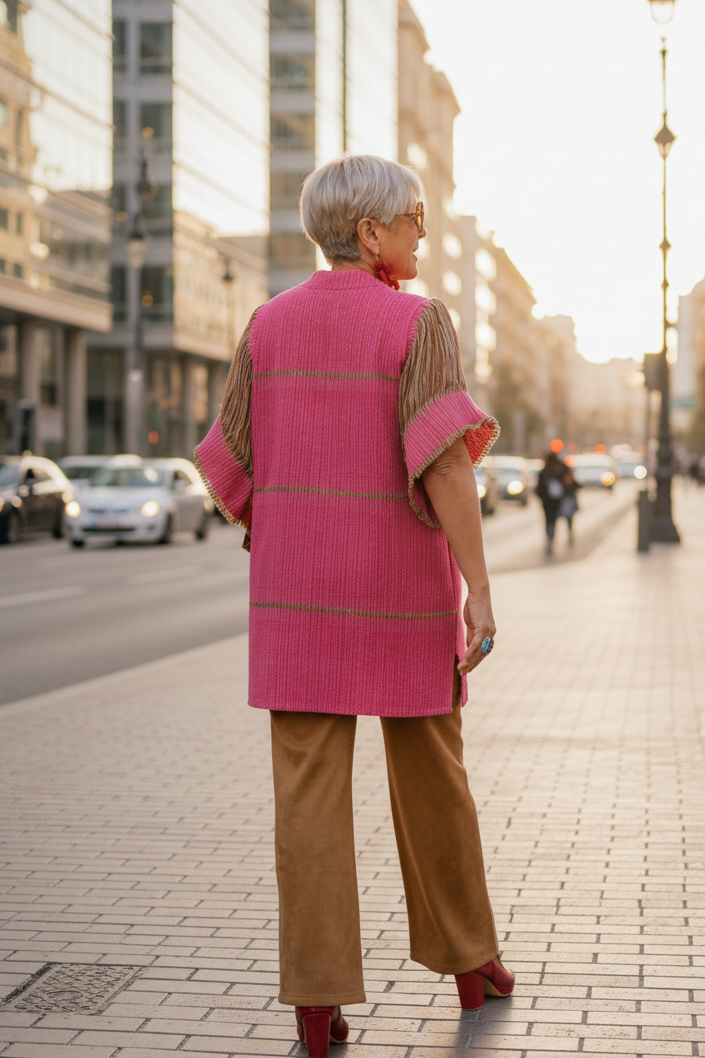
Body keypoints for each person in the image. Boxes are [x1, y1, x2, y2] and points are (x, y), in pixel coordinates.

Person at [194, 154, 514, 1058]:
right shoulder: (417, 323)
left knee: (304, 799)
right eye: (411, 216)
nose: (422, 228)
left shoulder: (265, 325)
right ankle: (468, 960)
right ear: (368, 232)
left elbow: (231, 462)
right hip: (404, 596)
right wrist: (478, 591)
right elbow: (446, 460)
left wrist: (292, 531)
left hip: (296, 602)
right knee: (433, 781)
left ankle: (315, 1000)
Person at [536, 451, 576, 553]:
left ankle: (551, 539)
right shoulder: (546, 472)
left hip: (558, 501)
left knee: (552, 521)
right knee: (552, 521)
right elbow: (539, 489)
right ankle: (551, 539)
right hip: (551, 503)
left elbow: (572, 482)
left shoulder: (556, 470)